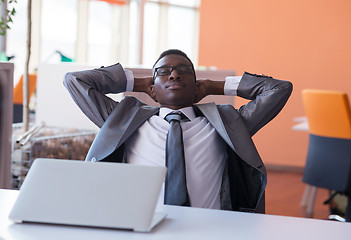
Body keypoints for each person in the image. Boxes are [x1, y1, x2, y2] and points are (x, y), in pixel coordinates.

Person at [63, 49, 292, 213]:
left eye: (184, 71)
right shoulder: (122, 119)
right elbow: (75, 80)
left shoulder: (227, 123)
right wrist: (136, 83)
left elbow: (279, 89)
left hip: (209, 229)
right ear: (151, 89)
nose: (174, 75)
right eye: (163, 72)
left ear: (196, 85)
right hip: (143, 227)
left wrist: (215, 85)